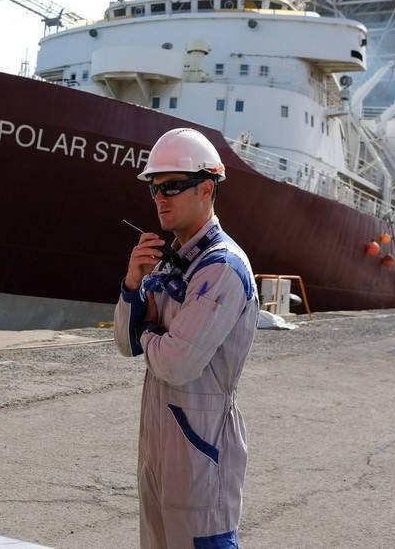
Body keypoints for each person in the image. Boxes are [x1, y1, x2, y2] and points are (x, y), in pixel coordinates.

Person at [113, 127, 258, 548]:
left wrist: (150, 327)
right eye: (155, 188)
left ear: (207, 188)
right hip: (158, 446)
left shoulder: (222, 268)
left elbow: (177, 364)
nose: (161, 197)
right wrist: (130, 283)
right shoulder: (166, 262)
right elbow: (125, 344)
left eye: (173, 186)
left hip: (202, 449)